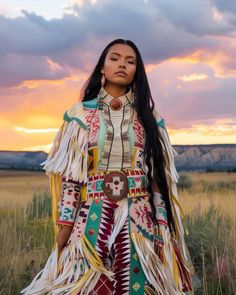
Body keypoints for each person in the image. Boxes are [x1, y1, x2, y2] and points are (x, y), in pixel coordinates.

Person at [21, 39, 195, 295]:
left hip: (139, 224)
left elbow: (158, 179)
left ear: (137, 70)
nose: (122, 64)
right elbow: (72, 182)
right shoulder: (79, 116)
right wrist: (63, 237)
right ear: (102, 67)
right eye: (114, 58)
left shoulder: (150, 118)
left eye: (130, 60)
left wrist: (162, 228)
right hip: (90, 222)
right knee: (87, 285)